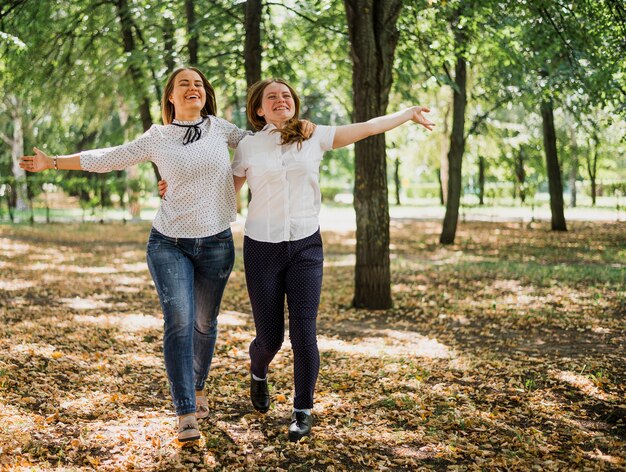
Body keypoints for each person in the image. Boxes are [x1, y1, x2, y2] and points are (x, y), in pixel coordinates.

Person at [162, 78, 434, 441]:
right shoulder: (248, 147)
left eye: (285, 95)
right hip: (262, 249)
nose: (280, 100)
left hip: (306, 246)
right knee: (269, 340)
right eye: (271, 97)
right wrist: (172, 187)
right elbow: (217, 189)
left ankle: (302, 410)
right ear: (259, 109)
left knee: (305, 333)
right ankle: (258, 372)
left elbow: (368, 128)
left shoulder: (314, 136)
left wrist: (407, 114)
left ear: (294, 104)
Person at [19, 67, 251, 443]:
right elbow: (110, 156)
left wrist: (299, 131)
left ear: (205, 94)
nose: (193, 89)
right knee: (179, 320)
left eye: (198, 84)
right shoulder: (157, 137)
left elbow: (263, 145)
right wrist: (54, 162)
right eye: (184, 85)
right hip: (169, 242)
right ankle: (185, 410)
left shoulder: (221, 129)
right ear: (171, 98)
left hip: (217, 243)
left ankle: (198, 385)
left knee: (205, 323)